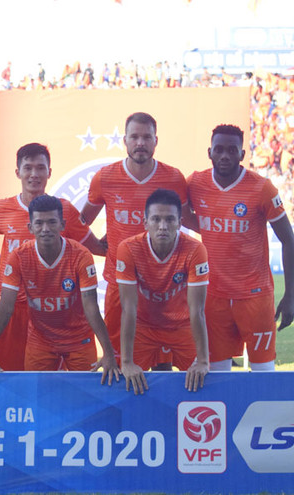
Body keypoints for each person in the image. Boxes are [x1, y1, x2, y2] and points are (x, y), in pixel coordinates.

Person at [0, 142, 105, 371]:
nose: (34, 174)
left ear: (49, 172)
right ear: (18, 172)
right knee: (11, 375)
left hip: (50, 314)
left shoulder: (63, 210)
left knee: (52, 383)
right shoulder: (2, 208)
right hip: (14, 309)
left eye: (40, 168)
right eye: (28, 168)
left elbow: (95, 246)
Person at [186, 124, 294, 371]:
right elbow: (180, 214)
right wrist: (211, 228)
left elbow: (288, 241)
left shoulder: (262, 188)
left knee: (263, 372)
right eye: (219, 149)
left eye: (231, 150)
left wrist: (290, 295)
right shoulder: (195, 183)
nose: (224, 155)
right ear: (209, 152)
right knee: (217, 373)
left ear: (242, 154)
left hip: (255, 297)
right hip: (213, 296)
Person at [0, 195, 119, 383]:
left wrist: (108, 353)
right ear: (30, 227)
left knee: (86, 392)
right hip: (40, 341)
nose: (45, 229)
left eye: (52, 222)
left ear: (62, 225)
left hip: (79, 340)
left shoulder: (81, 255)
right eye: (39, 223)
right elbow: (5, 306)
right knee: (36, 393)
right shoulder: (18, 257)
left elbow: (91, 307)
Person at [80, 112, 188, 360]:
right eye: (135, 137)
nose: (140, 143)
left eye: (146, 137)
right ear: (125, 140)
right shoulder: (105, 177)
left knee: (162, 361)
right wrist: (98, 247)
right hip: (120, 280)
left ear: (156, 141)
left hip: (162, 285)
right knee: (119, 358)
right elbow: (82, 221)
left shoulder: (173, 178)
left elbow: (188, 219)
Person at [116, 189, 210, 394]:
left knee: (202, 384)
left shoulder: (195, 250)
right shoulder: (128, 248)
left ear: (180, 222)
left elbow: (197, 310)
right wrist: (127, 361)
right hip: (144, 326)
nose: (163, 226)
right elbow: (128, 308)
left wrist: (203, 361)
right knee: (126, 385)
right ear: (145, 222)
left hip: (182, 325)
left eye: (169, 219)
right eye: (156, 219)